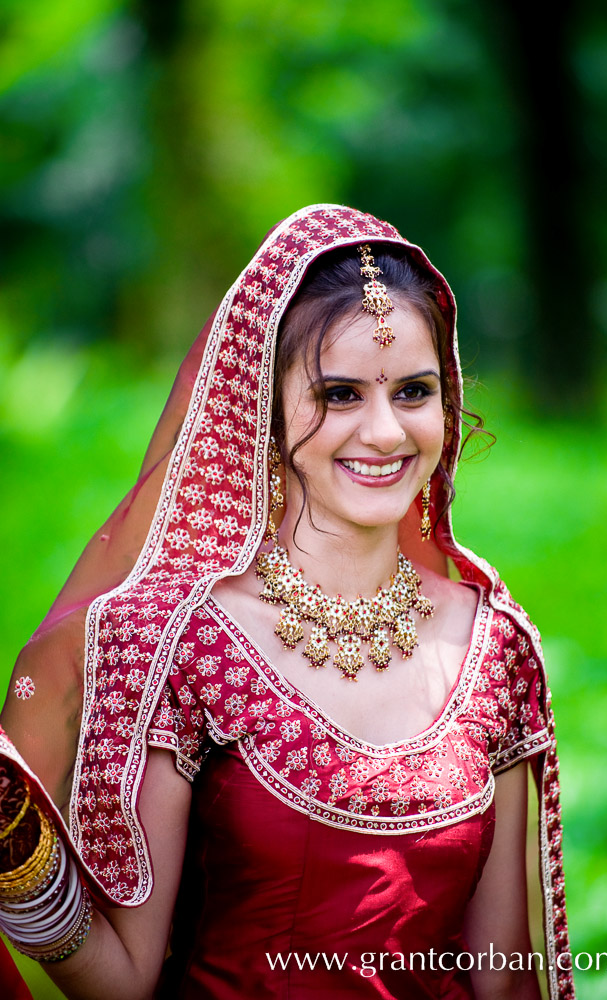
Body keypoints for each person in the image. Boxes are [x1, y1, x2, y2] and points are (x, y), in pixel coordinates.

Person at [0, 204, 574, 999]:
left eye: (414, 391)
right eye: (338, 394)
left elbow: (503, 979)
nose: (384, 431)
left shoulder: (493, 645)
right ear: (259, 411)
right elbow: (123, 982)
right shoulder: (176, 642)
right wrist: (20, 858)